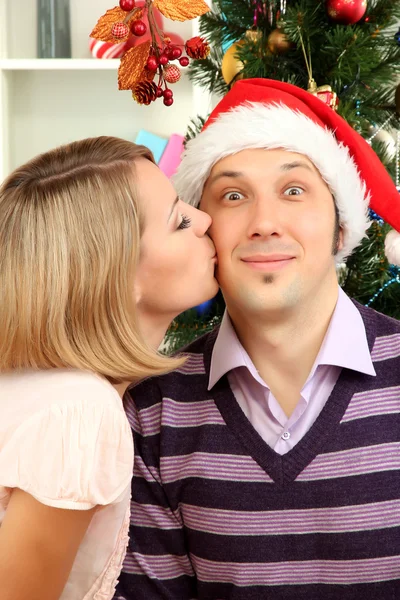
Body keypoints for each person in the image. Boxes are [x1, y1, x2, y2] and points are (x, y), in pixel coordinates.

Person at [117, 79, 400, 600]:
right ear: (204, 232)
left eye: (294, 191)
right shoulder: (151, 410)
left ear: (342, 229)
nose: (265, 222)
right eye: (232, 195)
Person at [0, 135, 218, 600]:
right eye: (180, 221)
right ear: (117, 276)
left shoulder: (42, 388)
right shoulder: (80, 414)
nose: (205, 219)